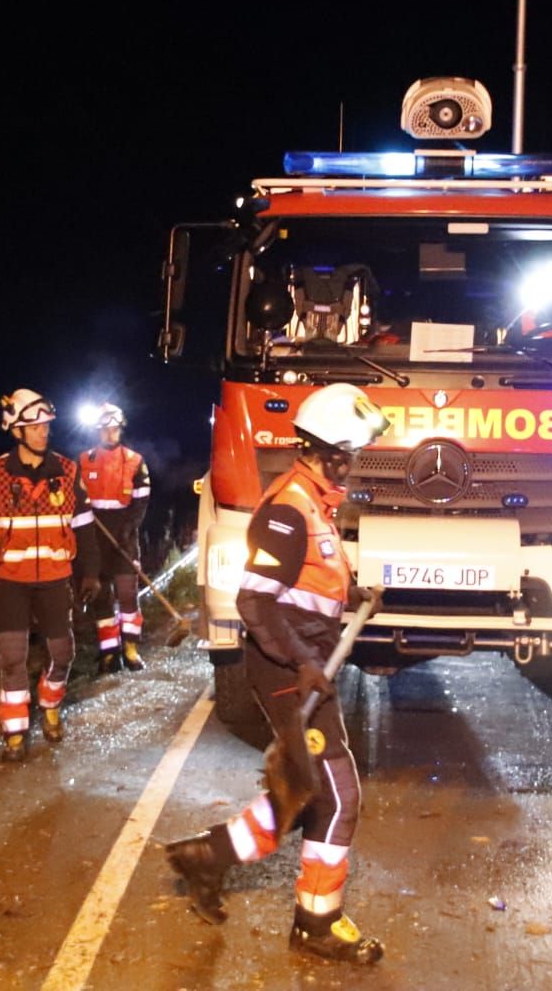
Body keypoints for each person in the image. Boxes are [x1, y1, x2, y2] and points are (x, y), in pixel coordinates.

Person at [164, 382, 390, 965]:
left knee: (305, 794)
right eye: (349, 452)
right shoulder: (290, 509)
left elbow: (307, 584)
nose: (354, 462)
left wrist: (354, 594)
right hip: (289, 668)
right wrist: (301, 660)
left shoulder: (314, 502)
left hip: (304, 661)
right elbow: (255, 602)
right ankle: (316, 924)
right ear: (328, 449)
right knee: (338, 801)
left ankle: (206, 856)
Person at [0, 388, 100, 762]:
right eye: (33, 427)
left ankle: (50, 703)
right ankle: (14, 734)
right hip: (10, 583)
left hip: (53, 579)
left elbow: (86, 529)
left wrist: (91, 574)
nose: (42, 433)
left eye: (46, 425)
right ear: (16, 430)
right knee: (12, 659)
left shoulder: (67, 473)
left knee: (62, 654)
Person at [78, 402, 153, 674]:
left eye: (114, 429)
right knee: (101, 596)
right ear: (98, 431)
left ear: (121, 430)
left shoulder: (135, 461)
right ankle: (109, 652)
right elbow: (77, 500)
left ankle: (131, 648)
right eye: (105, 430)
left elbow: (141, 503)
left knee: (127, 593)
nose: (110, 434)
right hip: (95, 535)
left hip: (124, 535)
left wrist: (128, 529)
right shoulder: (85, 460)